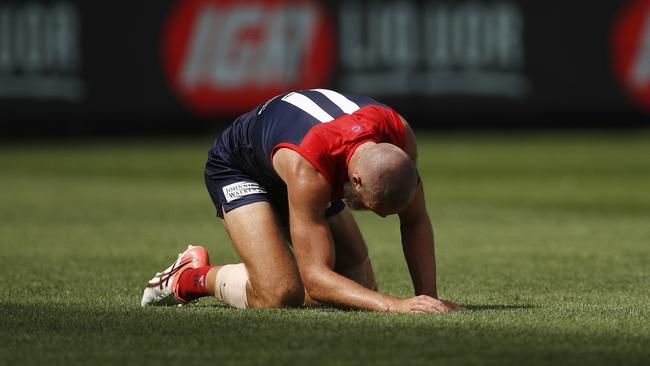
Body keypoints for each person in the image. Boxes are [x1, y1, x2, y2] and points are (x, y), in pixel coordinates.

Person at [141, 89, 463, 313]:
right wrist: (395, 304)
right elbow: (317, 280)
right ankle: (189, 277)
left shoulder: (398, 135)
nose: (371, 215)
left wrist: (427, 299)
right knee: (280, 293)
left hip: (309, 157)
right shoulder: (311, 170)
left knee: (357, 284)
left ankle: (267, 268)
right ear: (356, 181)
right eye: (371, 206)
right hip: (242, 166)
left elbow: (416, 219)